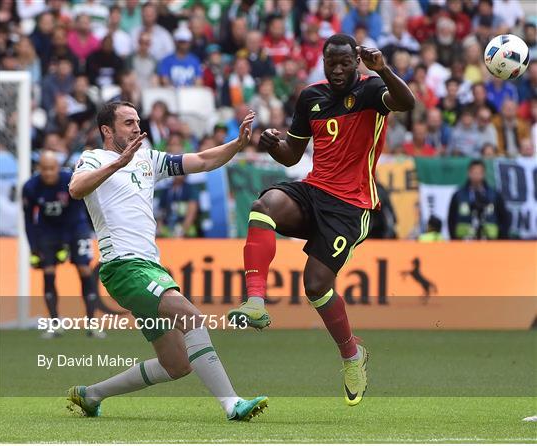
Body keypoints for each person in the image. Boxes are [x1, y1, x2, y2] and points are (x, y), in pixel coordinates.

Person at [228, 34, 415, 406]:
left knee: (315, 284)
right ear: (324, 61)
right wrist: (271, 144)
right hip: (314, 189)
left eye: (347, 62)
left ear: (357, 62)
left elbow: (407, 103)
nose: (340, 69)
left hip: (352, 205)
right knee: (263, 206)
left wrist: (384, 69)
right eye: (333, 62)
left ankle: (351, 355)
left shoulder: (372, 90)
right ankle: (255, 302)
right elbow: (290, 156)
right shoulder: (310, 97)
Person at [67, 101, 267, 421]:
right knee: (191, 316)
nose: (137, 127)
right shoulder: (93, 158)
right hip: (123, 266)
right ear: (107, 130)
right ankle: (232, 404)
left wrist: (238, 144)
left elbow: (201, 160)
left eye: (137, 121)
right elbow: (76, 189)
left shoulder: (149, 158)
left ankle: (92, 395)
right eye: (128, 123)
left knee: (177, 364)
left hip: (148, 266)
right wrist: (118, 163)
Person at [22, 151, 100, 338]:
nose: (48, 173)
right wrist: (34, 246)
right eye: (44, 169)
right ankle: (55, 324)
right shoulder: (31, 187)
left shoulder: (69, 181)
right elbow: (28, 220)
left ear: (58, 167)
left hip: (75, 228)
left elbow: (76, 212)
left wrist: (65, 245)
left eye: (52, 168)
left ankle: (92, 324)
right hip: (47, 231)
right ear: (39, 168)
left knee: (84, 269)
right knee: (48, 272)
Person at [447, 160, 510, 240]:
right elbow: (451, 219)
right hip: (464, 241)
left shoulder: (494, 195)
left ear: (484, 174)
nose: (476, 176)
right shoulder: (458, 195)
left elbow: (504, 219)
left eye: (479, 173)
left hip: (490, 241)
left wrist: (501, 239)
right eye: (474, 172)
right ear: (469, 173)